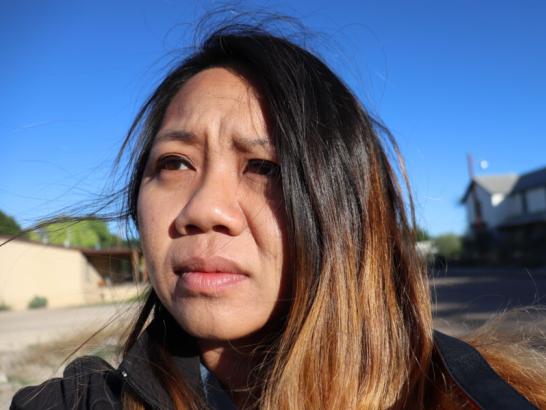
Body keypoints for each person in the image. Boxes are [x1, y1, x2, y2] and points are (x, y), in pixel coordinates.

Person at [10, 20, 546, 410]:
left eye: (265, 166)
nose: (203, 210)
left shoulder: (471, 396)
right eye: (174, 163)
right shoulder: (76, 403)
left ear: (348, 208)